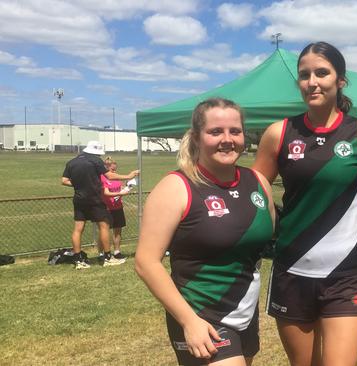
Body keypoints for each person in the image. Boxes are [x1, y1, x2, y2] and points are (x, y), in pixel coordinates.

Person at [252, 41, 357, 366]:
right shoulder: (279, 133)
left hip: (346, 274)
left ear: (341, 80)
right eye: (304, 74)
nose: (312, 81)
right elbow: (255, 190)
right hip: (292, 270)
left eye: (322, 73)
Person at [135, 98, 275, 366]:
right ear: (197, 138)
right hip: (201, 315)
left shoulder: (258, 182)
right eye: (215, 132)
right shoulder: (176, 187)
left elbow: (267, 239)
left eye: (235, 131)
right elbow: (146, 262)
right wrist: (189, 321)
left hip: (245, 312)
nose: (227, 139)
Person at [61, 141, 139, 269]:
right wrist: (128, 176)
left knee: (78, 228)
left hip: (79, 198)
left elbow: (64, 181)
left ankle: (78, 260)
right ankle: (107, 257)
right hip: (94, 199)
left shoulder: (72, 162)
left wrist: (80, 185)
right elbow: (109, 176)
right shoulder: (95, 161)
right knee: (104, 225)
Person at [100, 156, 131, 260]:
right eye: (112, 169)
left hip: (118, 207)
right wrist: (120, 193)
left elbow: (120, 187)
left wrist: (127, 187)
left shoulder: (116, 177)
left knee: (118, 230)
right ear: (106, 167)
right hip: (106, 208)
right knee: (104, 231)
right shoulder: (102, 177)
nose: (114, 171)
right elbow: (106, 193)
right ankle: (102, 253)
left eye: (115, 169)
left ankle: (117, 251)